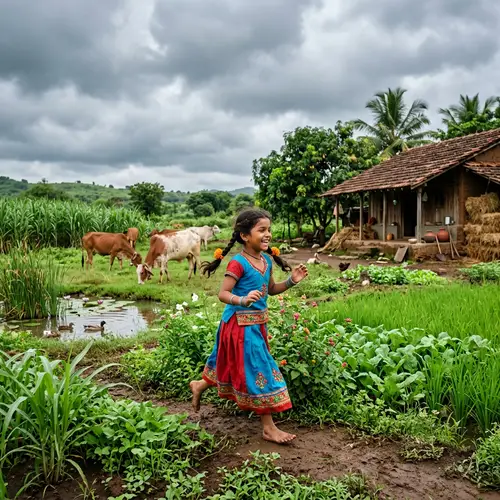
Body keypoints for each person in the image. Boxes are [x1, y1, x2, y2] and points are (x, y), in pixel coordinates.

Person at [189, 208, 308, 444]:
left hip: (257, 325)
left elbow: (270, 290)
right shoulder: (238, 263)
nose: (267, 234)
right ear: (245, 236)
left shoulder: (265, 261)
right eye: (261, 230)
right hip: (238, 326)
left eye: (269, 230)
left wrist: (291, 281)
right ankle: (269, 428)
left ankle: (199, 385)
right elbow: (222, 293)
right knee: (260, 369)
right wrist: (242, 300)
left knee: (228, 363)